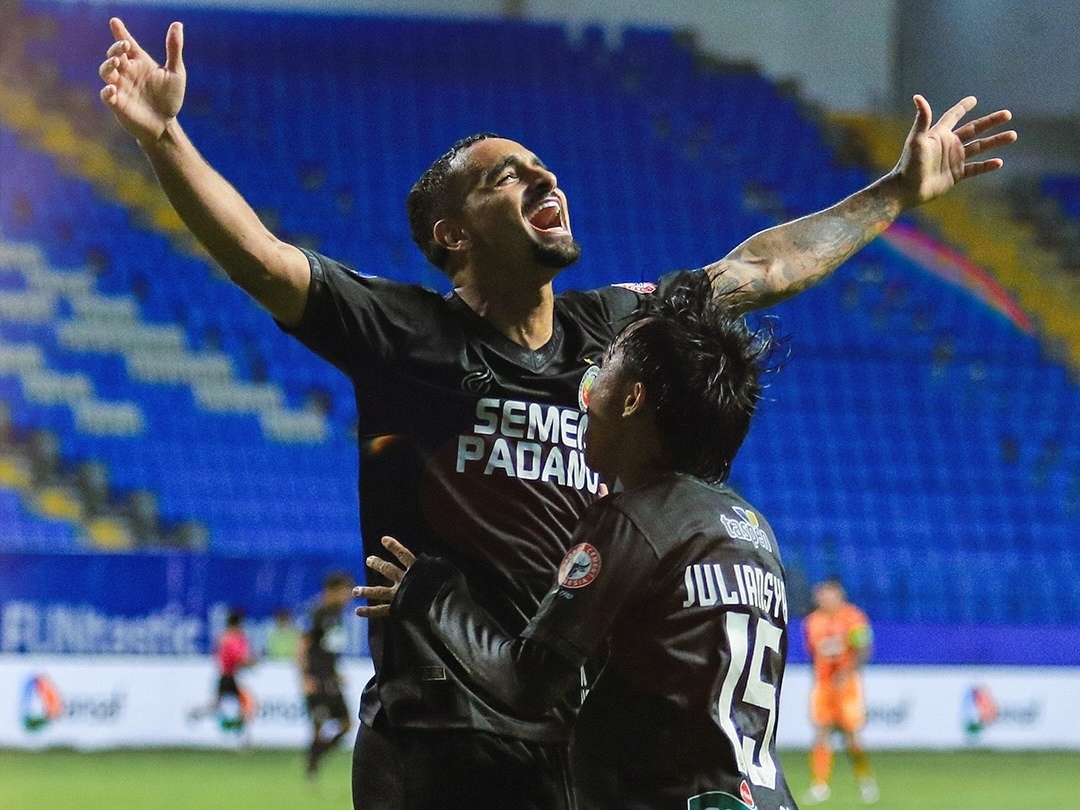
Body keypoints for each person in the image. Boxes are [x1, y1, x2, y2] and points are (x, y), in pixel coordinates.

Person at [97, 17, 1015, 809]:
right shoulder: (404, 335)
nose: (544, 179)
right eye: (506, 177)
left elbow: (761, 268)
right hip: (435, 741)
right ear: (452, 236)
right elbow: (263, 259)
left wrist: (894, 192)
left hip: (573, 739)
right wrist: (165, 138)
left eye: (543, 167)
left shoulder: (618, 330)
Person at [358, 273, 794, 809]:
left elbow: (529, 684)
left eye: (599, 371)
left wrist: (434, 593)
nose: (582, 392)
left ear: (631, 399)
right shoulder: (752, 529)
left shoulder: (633, 520)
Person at [802, 578, 877, 805]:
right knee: (821, 732)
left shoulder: (853, 618)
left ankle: (865, 779)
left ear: (839, 595)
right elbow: (813, 653)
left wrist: (847, 672)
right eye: (821, 595)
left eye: (828, 594)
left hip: (847, 684)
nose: (823, 599)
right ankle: (820, 785)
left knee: (851, 735)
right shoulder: (812, 622)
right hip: (824, 685)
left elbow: (864, 648)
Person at [298, 570, 356, 777]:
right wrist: (305, 677)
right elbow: (302, 647)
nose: (348, 596)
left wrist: (337, 672)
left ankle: (315, 760)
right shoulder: (316, 613)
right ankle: (312, 769)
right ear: (332, 591)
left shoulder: (337, 614)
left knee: (347, 724)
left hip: (331, 678)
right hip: (317, 678)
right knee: (319, 724)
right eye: (345, 591)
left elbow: (329, 647)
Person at [189, 608, 257, 738]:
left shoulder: (224, 637)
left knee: (219, 705)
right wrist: (252, 662)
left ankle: (196, 713)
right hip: (230, 677)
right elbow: (239, 658)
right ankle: (243, 736)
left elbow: (222, 656)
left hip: (225, 675)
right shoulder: (234, 638)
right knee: (247, 704)